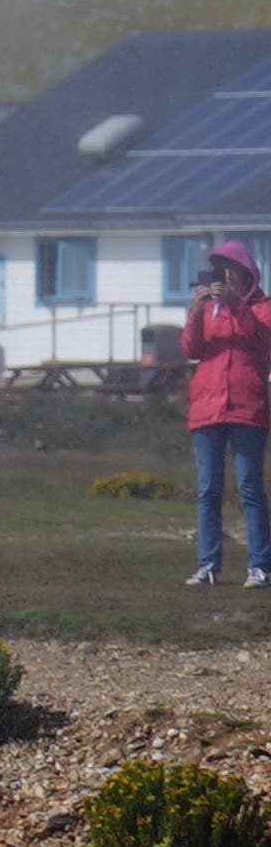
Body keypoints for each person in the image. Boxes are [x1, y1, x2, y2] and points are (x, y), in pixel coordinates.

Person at [189, 244, 271, 591]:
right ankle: (208, 564)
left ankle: (260, 566)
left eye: (231, 269)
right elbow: (191, 348)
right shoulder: (210, 310)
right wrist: (195, 311)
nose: (225, 276)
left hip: (246, 407)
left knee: (249, 487)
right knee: (208, 489)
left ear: (247, 273)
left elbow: (260, 337)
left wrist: (237, 304)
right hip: (207, 407)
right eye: (220, 270)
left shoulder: (263, 308)